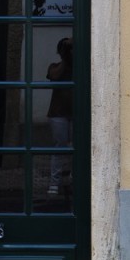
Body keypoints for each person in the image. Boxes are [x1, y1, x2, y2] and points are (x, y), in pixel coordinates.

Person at [46, 37, 73, 195]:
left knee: (79, 148)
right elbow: (55, 77)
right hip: (58, 113)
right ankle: (55, 182)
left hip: (77, 112)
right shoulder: (55, 66)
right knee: (59, 147)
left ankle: (74, 177)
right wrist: (65, 58)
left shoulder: (79, 67)